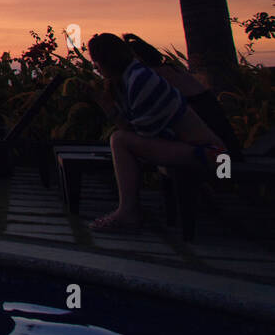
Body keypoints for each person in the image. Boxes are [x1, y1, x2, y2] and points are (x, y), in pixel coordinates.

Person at [86, 33, 226, 232]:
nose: (96, 69)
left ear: (107, 61)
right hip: (203, 152)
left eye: (96, 63)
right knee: (120, 140)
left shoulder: (140, 81)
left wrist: (107, 106)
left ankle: (128, 212)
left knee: (119, 140)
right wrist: (106, 103)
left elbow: (139, 135)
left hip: (218, 158)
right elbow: (139, 132)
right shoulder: (131, 79)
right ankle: (130, 210)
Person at [121, 32, 243, 159]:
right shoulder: (174, 70)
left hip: (213, 151)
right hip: (225, 147)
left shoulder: (153, 79)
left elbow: (145, 127)